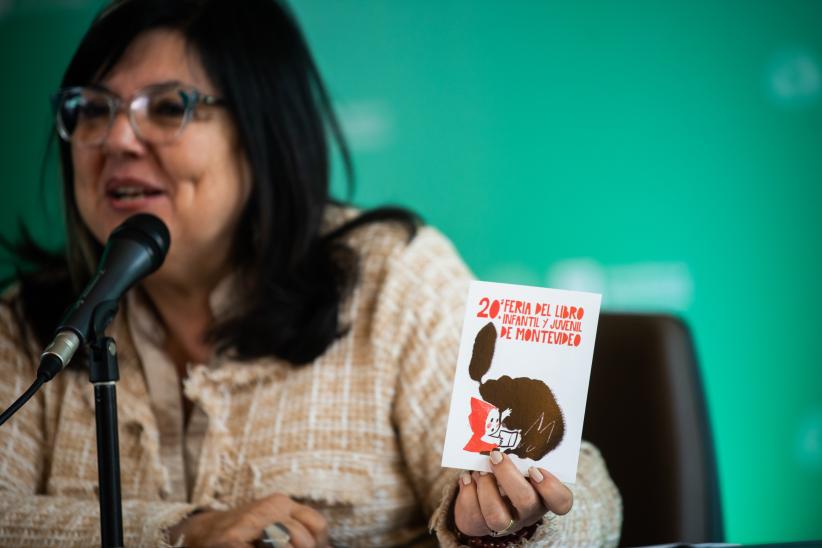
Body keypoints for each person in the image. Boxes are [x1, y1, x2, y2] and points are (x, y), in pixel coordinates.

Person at [0, 0, 622, 546]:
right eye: (90, 109)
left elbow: (583, 489)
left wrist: (522, 519)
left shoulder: (392, 276)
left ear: (263, 130)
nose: (115, 140)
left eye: (167, 107)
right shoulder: (31, 322)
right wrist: (180, 534)